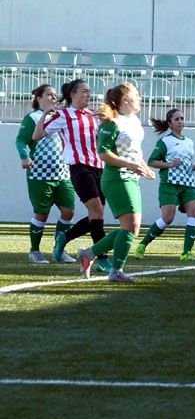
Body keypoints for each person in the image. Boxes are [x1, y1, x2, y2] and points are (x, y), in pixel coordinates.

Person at [78, 82, 156, 283]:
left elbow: (134, 151)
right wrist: (129, 165)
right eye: (136, 95)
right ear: (125, 100)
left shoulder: (134, 120)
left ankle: (89, 253)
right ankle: (116, 271)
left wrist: (143, 166)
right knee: (131, 226)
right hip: (116, 178)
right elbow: (104, 153)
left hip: (131, 177)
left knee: (132, 229)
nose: (140, 98)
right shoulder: (112, 122)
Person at [33, 78, 112, 274]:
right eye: (84, 91)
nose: (88, 95)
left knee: (97, 215)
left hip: (99, 168)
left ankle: (64, 237)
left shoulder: (92, 114)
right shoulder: (63, 115)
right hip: (79, 168)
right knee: (97, 212)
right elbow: (37, 135)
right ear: (73, 94)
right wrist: (44, 113)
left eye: (89, 91)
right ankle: (101, 257)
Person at [15, 84, 77, 264]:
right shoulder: (32, 118)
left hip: (63, 173)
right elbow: (21, 140)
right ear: (38, 98)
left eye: (55, 95)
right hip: (40, 175)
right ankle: (34, 251)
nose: (53, 98)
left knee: (68, 212)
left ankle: (59, 250)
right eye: (49, 95)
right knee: (42, 213)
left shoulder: (61, 117)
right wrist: (25, 157)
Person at [135, 108, 195, 262]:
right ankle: (142, 245)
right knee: (168, 218)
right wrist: (169, 164)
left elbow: (184, 165)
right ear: (170, 123)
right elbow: (151, 161)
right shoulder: (165, 141)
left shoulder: (189, 142)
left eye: (182, 118)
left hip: (187, 183)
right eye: (177, 119)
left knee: (194, 212)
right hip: (170, 184)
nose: (180, 121)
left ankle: (186, 252)